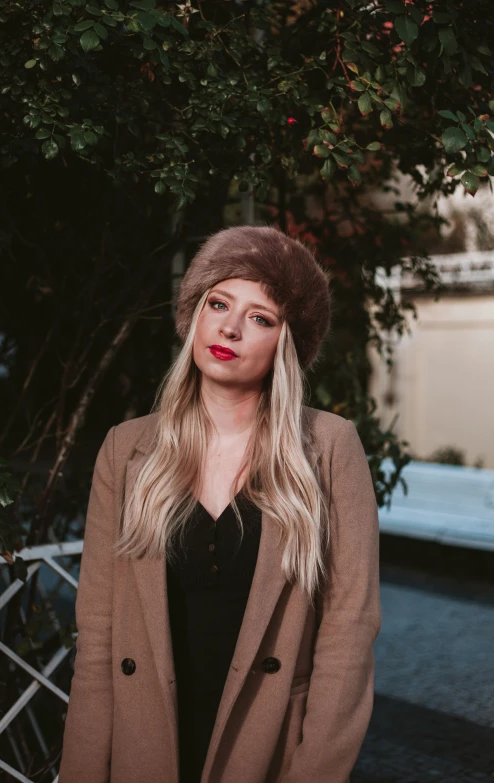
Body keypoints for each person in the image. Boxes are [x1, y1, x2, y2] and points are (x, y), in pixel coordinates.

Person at [58, 225, 381, 783]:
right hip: (146, 744)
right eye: (219, 302)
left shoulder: (327, 447)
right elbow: (99, 638)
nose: (230, 326)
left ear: (287, 342)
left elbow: (349, 632)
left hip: (268, 746)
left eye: (261, 317)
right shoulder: (128, 447)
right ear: (195, 316)